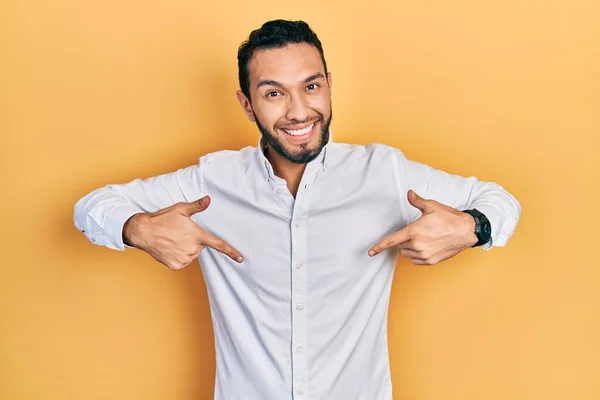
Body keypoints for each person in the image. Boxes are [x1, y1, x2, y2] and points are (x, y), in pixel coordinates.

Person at [73, 19, 521, 400]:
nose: (299, 110)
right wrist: (138, 229)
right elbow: (91, 207)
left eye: (311, 86)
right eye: (274, 94)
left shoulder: (384, 172)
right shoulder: (212, 182)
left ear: (329, 86)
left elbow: (500, 201)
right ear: (247, 105)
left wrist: (470, 228)